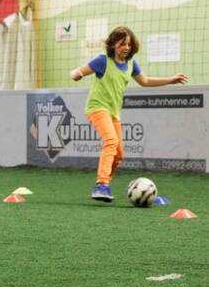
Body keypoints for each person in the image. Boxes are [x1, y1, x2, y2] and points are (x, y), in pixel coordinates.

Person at [70, 26, 188, 202]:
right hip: (97, 107)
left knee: (119, 154)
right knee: (110, 141)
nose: (126, 47)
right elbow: (78, 72)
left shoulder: (131, 63)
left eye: (129, 44)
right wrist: (76, 75)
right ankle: (101, 184)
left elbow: (145, 81)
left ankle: (104, 184)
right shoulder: (103, 61)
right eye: (122, 43)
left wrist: (171, 79)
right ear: (113, 44)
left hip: (114, 112)